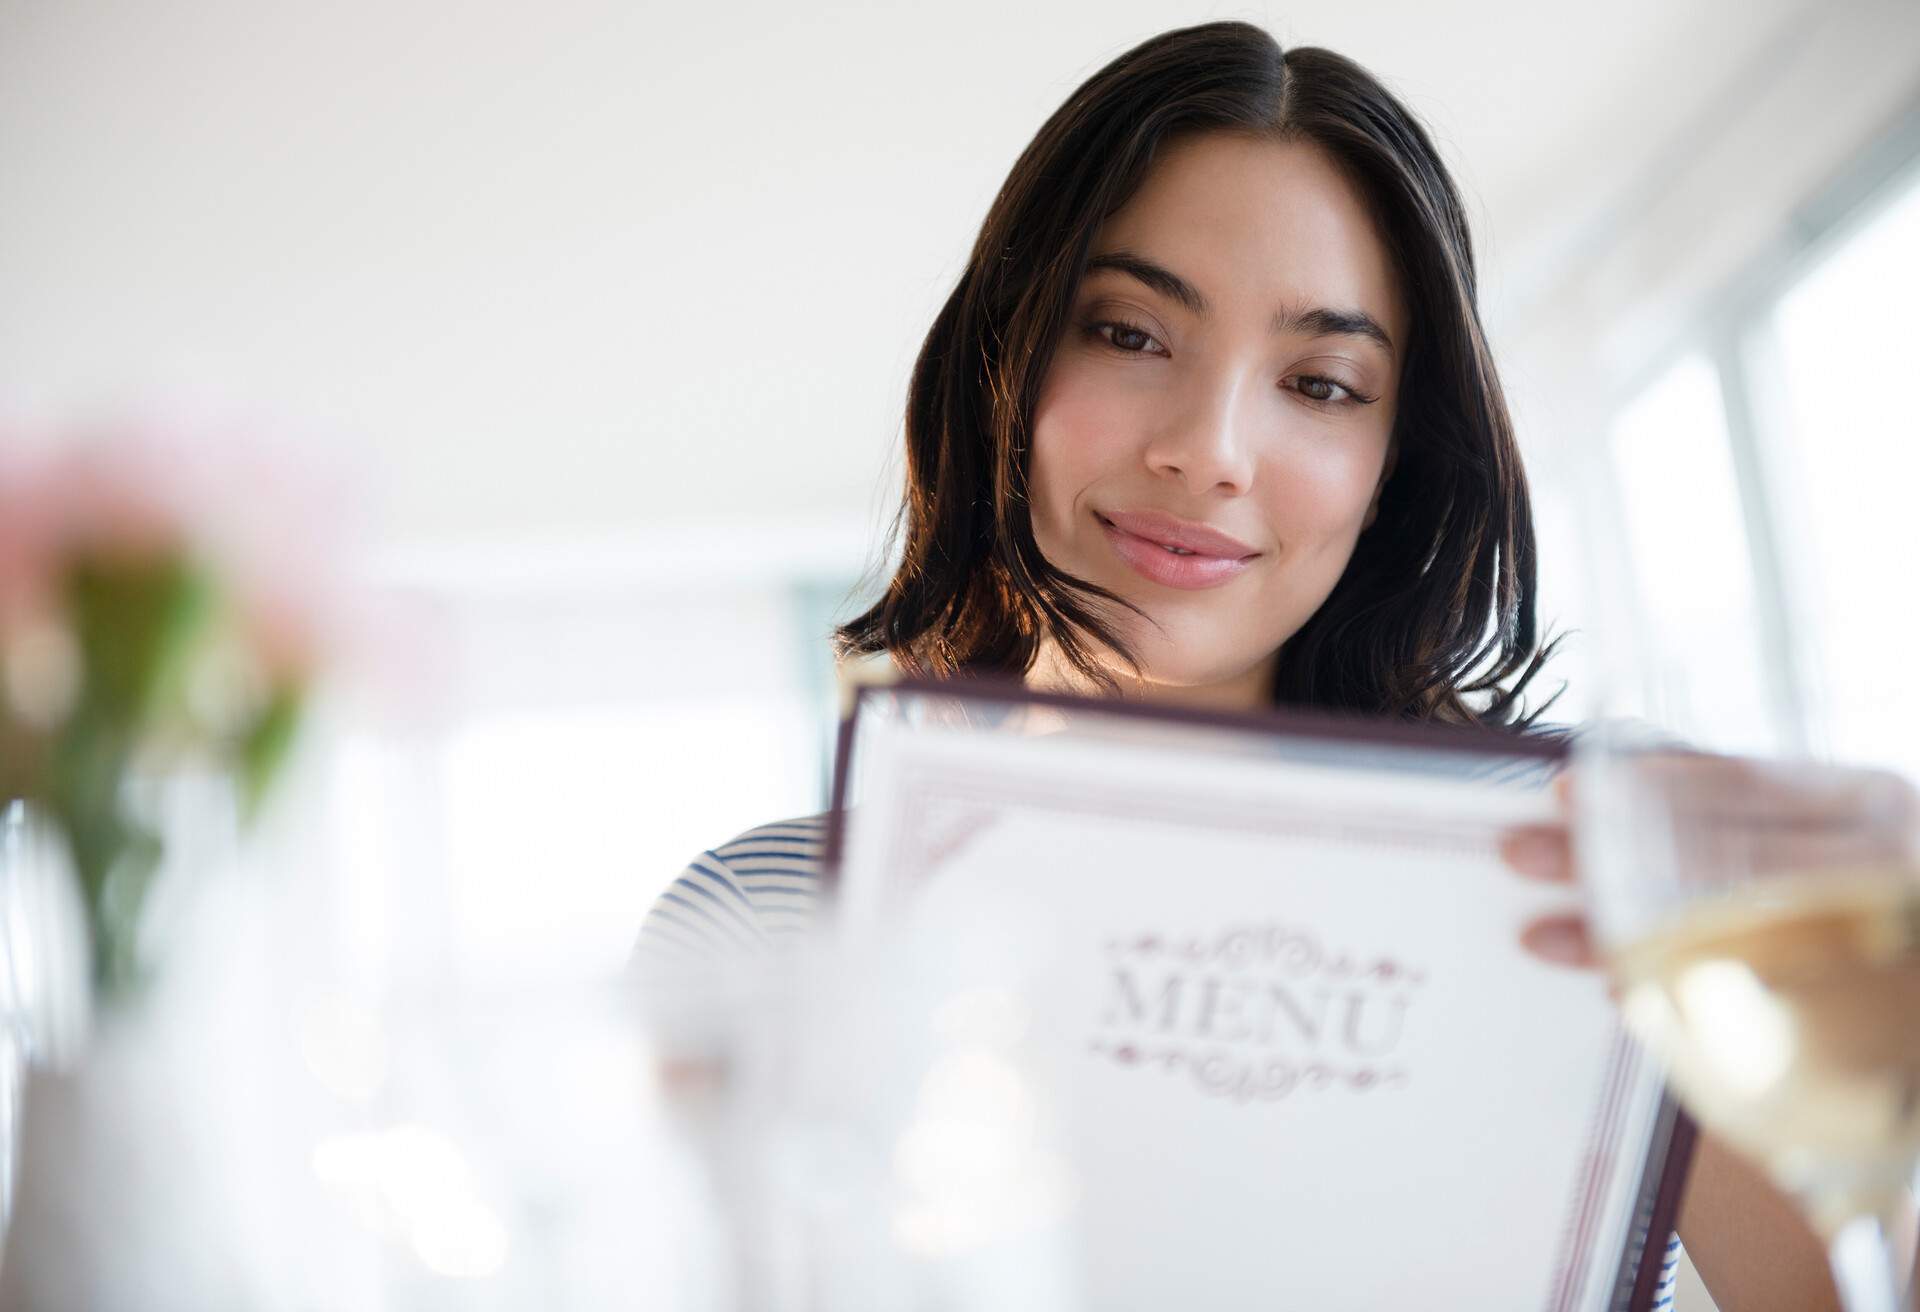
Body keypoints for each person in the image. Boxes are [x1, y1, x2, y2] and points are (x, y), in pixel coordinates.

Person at [636, 22, 1848, 1309]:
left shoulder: (1604, 890)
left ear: (1395, 470)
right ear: (1007, 364)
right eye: (1131, 332)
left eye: (1321, 384)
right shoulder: (763, 927)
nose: (1210, 450)